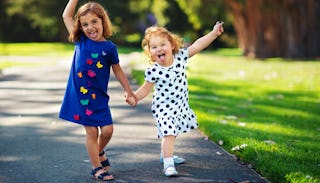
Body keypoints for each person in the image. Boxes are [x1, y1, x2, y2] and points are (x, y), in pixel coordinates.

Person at [128, 22, 224, 177]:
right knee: (169, 133)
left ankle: (165, 154)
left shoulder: (180, 57)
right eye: (154, 47)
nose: (159, 49)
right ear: (150, 52)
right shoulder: (154, 70)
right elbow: (146, 88)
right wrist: (134, 97)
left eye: (163, 44)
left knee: (174, 131)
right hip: (163, 108)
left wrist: (213, 34)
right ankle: (168, 164)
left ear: (172, 45)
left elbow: (198, 44)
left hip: (180, 105)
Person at [59, 0, 136, 181]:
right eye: (85, 24)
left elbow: (117, 69)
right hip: (81, 97)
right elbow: (66, 15)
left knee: (107, 131)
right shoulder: (80, 40)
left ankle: (99, 151)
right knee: (92, 132)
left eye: (94, 22)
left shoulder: (109, 48)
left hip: (99, 97)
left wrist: (129, 91)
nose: (90, 27)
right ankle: (96, 167)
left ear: (103, 22)